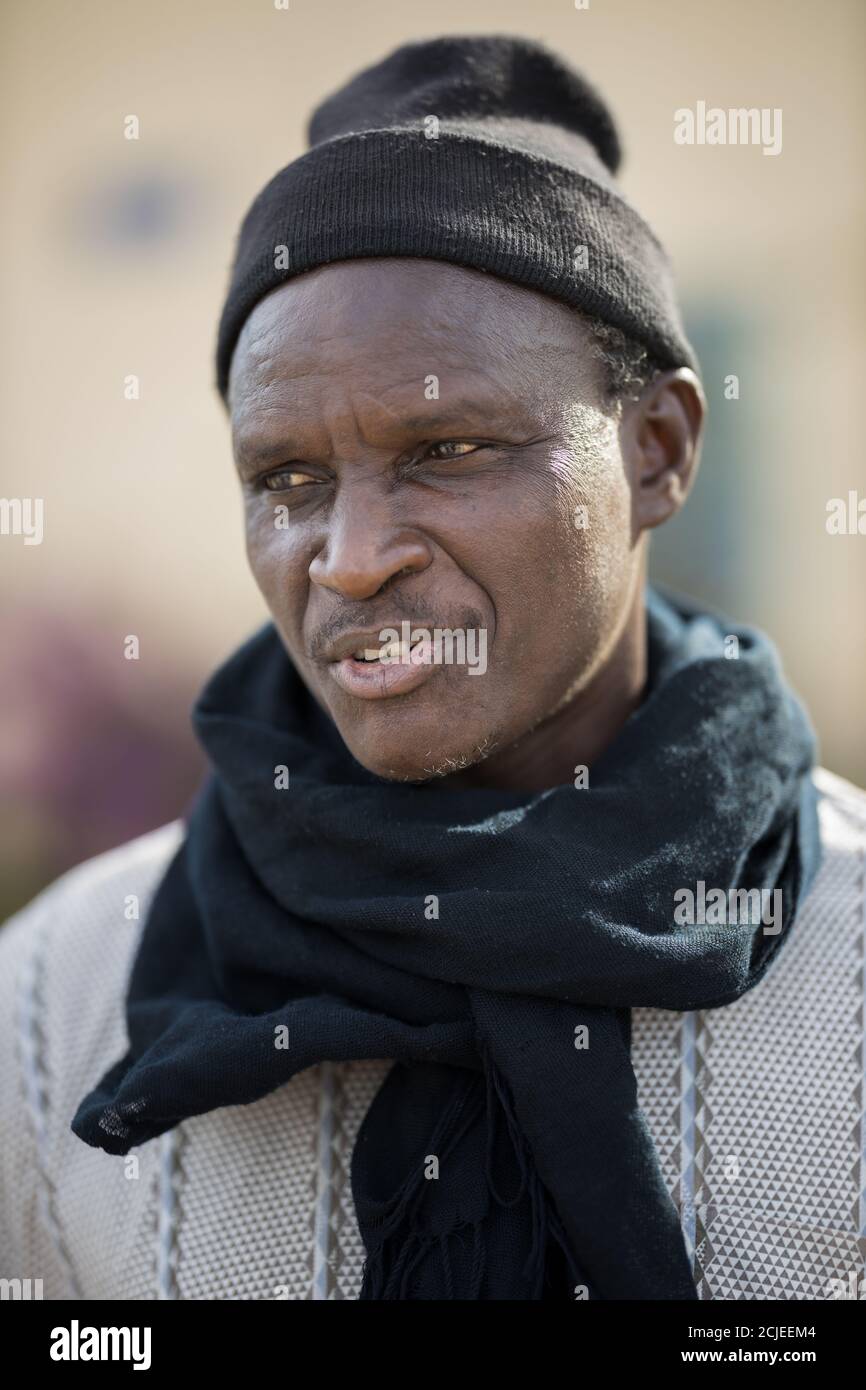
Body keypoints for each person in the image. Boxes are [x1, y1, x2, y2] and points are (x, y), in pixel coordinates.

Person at [1, 34, 864, 1302]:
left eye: (447, 449)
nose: (349, 561)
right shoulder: (44, 1009)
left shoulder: (844, 964)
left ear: (656, 451)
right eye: (286, 477)